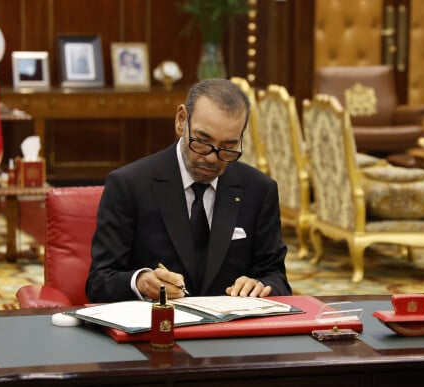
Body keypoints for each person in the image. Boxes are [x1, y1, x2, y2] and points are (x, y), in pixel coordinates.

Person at [86, 78, 291, 302]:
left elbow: (276, 278)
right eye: (202, 141)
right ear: (181, 120)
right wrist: (141, 282)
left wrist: (260, 285)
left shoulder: (259, 190)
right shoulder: (129, 185)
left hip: (229, 331)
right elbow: (99, 282)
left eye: (228, 147)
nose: (212, 158)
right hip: (158, 328)